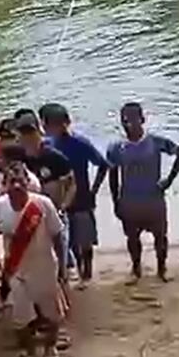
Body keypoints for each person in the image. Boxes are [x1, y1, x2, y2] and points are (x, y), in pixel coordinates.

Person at [0, 154, 66, 357]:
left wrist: (62, 267)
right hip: (16, 271)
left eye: (21, 180)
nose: (16, 186)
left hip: (44, 266)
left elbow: (58, 237)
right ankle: (29, 351)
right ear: (3, 184)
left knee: (51, 312)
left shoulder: (43, 204)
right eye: (11, 181)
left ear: (29, 182)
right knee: (20, 317)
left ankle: (50, 347)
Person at [104, 102, 179, 282]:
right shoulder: (116, 148)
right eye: (125, 121)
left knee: (160, 236)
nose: (129, 124)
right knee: (132, 237)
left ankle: (162, 269)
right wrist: (116, 202)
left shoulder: (156, 142)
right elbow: (113, 176)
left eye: (133, 120)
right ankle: (136, 268)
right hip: (129, 200)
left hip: (153, 199)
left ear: (142, 119)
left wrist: (169, 180)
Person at [40, 102, 109, 284]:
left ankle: (87, 273)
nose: (49, 128)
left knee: (85, 240)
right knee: (69, 242)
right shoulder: (46, 146)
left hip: (82, 199)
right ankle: (78, 270)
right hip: (59, 202)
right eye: (47, 125)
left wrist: (93, 191)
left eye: (54, 124)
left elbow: (103, 164)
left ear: (67, 122)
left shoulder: (80, 143)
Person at [13, 115, 75, 288]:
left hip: (55, 212)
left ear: (38, 131)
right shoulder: (18, 158)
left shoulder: (54, 157)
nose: (28, 137)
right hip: (29, 217)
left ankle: (65, 283)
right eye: (23, 133)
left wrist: (63, 207)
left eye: (30, 132)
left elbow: (72, 184)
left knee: (62, 254)